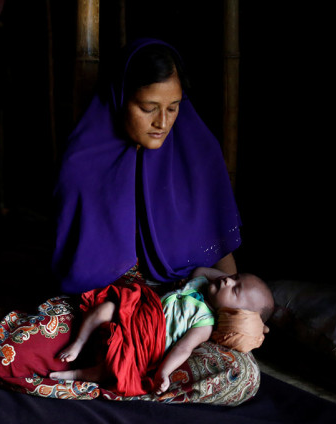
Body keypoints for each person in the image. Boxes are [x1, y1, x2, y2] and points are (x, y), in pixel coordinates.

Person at [52, 38, 241, 294]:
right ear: (120, 97)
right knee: (43, 330)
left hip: (184, 296)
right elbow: (73, 262)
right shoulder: (82, 161)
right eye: (148, 108)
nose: (162, 122)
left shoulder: (200, 152)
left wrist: (236, 304)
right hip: (105, 298)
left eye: (173, 108)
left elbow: (219, 246)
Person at [49, 267, 274, 396]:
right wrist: (226, 282)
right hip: (141, 311)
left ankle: (76, 375)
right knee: (105, 307)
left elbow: (183, 348)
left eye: (235, 289)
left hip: (148, 338)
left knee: (116, 366)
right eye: (234, 278)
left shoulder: (205, 323)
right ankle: (78, 342)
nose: (226, 280)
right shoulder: (201, 283)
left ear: (234, 314)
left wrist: (164, 372)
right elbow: (203, 270)